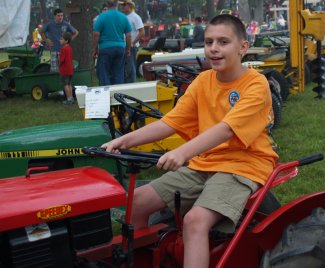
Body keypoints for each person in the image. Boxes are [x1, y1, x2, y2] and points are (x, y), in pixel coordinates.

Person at [102, 14, 278, 268]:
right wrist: (124, 140)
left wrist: (183, 153)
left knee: (195, 220)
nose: (214, 48)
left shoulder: (256, 84)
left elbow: (227, 129)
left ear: (243, 47)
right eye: (209, 42)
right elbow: (170, 122)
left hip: (243, 166)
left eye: (223, 42)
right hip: (204, 164)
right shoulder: (202, 81)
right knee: (137, 202)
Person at [92, 0, 132, 86]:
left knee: (104, 73)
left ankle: (106, 95)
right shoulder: (123, 17)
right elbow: (128, 35)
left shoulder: (102, 17)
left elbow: (96, 34)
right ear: (117, 4)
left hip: (105, 48)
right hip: (120, 48)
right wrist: (128, 49)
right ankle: (117, 95)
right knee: (118, 73)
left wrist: (94, 49)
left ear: (106, 4)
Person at [119, 0, 144, 83]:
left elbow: (142, 32)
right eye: (121, 5)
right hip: (123, 46)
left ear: (129, 5)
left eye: (124, 5)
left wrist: (132, 43)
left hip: (131, 46)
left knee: (131, 68)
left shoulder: (135, 17)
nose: (121, 7)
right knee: (124, 68)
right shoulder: (122, 17)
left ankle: (131, 84)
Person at [59, 32, 74, 105]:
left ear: (66, 41)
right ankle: (71, 98)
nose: (60, 40)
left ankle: (69, 100)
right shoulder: (70, 48)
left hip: (65, 70)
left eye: (62, 39)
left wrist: (59, 64)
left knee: (65, 85)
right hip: (70, 69)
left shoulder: (63, 49)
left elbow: (61, 60)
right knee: (69, 84)